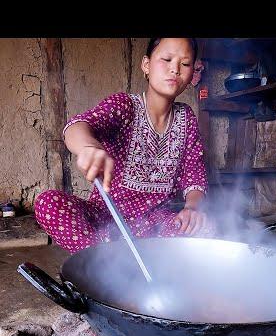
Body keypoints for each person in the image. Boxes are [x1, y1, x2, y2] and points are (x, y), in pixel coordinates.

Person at [34, 38, 213, 254]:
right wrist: (88, 147)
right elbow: (78, 126)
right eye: (166, 59)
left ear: (192, 71)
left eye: (185, 64)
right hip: (106, 219)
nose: (174, 69)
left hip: (155, 225)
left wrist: (192, 209)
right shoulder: (125, 106)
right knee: (48, 203)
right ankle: (103, 263)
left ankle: (130, 260)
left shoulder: (187, 117)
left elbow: (194, 175)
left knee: (205, 228)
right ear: (146, 65)